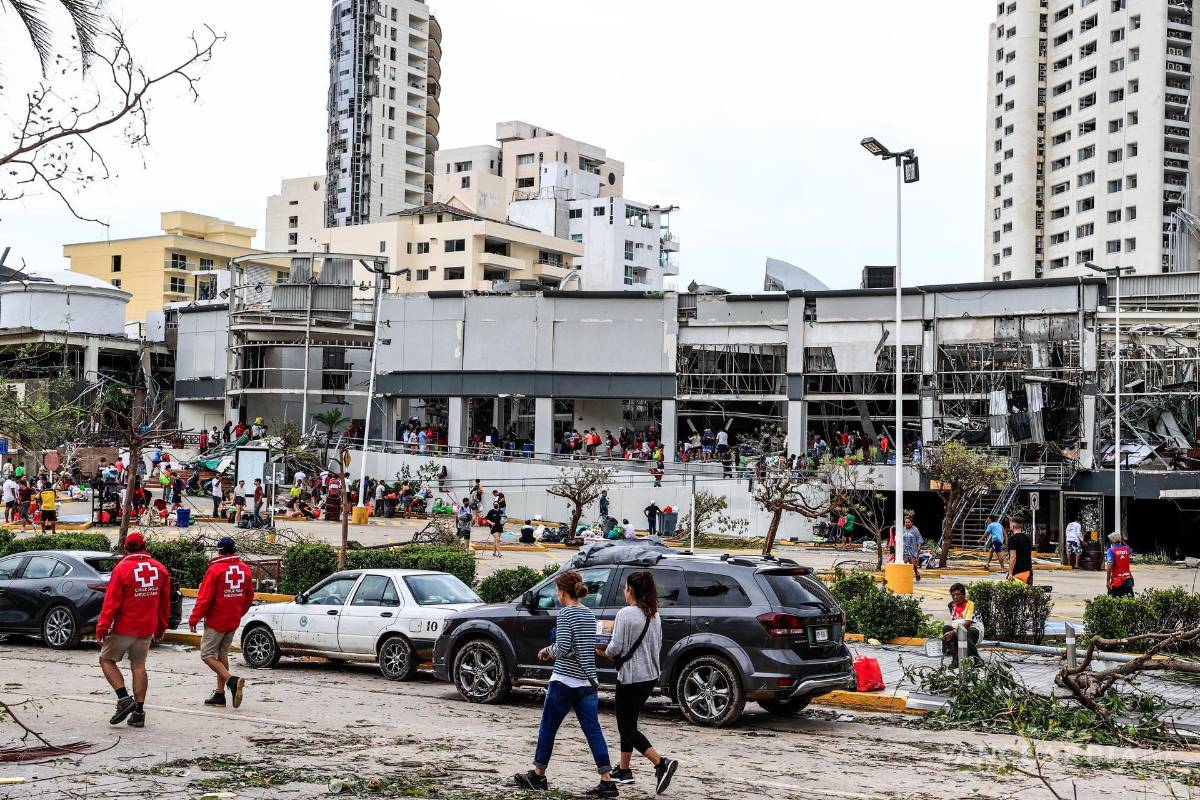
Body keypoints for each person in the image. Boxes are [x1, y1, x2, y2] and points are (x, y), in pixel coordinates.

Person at [513, 571, 616, 797]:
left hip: (564, 681)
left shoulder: (566, 614)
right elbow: (587, 647)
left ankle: (538, 774)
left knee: (548, 728)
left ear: (561, 591)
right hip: (588, 681)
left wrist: (546, 651)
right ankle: (607, 780)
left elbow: (563, 648)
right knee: (593, 731)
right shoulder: (589, 615)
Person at [597, 570, 679, 794]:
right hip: (649, 676)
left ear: (631, 590)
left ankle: (660, 762)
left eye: (625, 587)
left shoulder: (626, 613)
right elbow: (658, 644)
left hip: (631, 676)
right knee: (629, 722)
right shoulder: (654, 614)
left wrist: (601, 650)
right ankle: (624, 770)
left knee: (625, 727)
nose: (624, 591)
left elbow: (615, 648)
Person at [96, 532, 171, 728]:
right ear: (145, 546)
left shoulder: (122, 568)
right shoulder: (160, 569)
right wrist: (162, 626)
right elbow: (164, 604)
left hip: (125, 626)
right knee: (138, 666)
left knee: (106, 660)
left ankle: (123, 698)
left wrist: (102, 626)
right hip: (147, 628)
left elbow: (111, 602)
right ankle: (138, 712)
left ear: (126, 548)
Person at [189, 536, 254, 708]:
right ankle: (220, 694)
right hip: (233, 619)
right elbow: (249, 597)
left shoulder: (216, 569)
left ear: (220, 551)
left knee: (207, 654)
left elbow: (205, 597)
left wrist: (195, 617)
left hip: (217, 619)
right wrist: (238, 613)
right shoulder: (245, 569)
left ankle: (231, 681)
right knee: (221, 654)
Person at [941, 582, 983, 666]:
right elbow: (956, 622)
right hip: (958, 630)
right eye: (953, 595)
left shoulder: (971, 604)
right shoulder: (952, 605)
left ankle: (978, 659)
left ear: (964, 595)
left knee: (963, 632)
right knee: (946, 629)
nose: (955, 597)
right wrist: (951, 632)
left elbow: (967, 624)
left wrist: (953, 632)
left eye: (958, 594)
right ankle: (956, 659)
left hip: (974, 631)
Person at [1006, 519, 1034, 585]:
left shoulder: (1012, 539)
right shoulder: (1028, 538)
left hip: (1017, 572)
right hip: (1028, 571)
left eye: (1010, 524)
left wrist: (1010, 573)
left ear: (1012, 526)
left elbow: (1013, 557)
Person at [1105, 533, 1134, 597]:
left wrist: (1107, 580)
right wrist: (1122, 542)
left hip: (1117, 581)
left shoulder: (1111, 550)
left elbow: (1110, 565)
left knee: (1111, 602)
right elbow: (1131, 549)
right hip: (1128, 580)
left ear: (1111, 541)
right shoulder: (1127, 549)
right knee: (1129, 602)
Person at [902, 515, 923, 582]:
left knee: (913, 565)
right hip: (904, 550)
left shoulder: (915, 529)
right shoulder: (903, 529)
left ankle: (917, 573)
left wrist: (919, 547)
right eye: (906, 522)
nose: (907, 523)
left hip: (913, 550)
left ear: (911, 523)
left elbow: (919, 538)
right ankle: (905, 577)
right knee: (904, 563)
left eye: (908, 522)